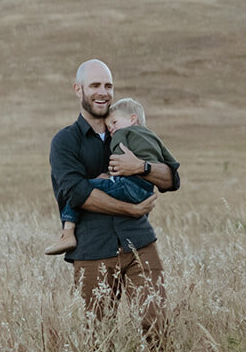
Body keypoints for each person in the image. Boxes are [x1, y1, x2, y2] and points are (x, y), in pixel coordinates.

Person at [48, 60, 180, 347]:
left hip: (139, 245)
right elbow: (78, 193)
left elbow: (171, 178)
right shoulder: (65, 141)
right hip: (92, 249)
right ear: (78, 89)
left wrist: (141, 167)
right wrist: (131, 209)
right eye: (95, 85)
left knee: (155, 323)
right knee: (98, 338)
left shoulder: (130, 129)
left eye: (108, 86)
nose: (103, 92)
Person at [45, 95, 179, 256]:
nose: (112, 129)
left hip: (128, 187)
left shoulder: (121, 135)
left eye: (114, 123)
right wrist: (147, 166)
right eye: (109, 127)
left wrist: (113, 174)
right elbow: (173, 170)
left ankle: (67, 233)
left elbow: (118, 158)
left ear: (132, 119)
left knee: (79, 189)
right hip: (146, 193)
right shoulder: (154, 137)